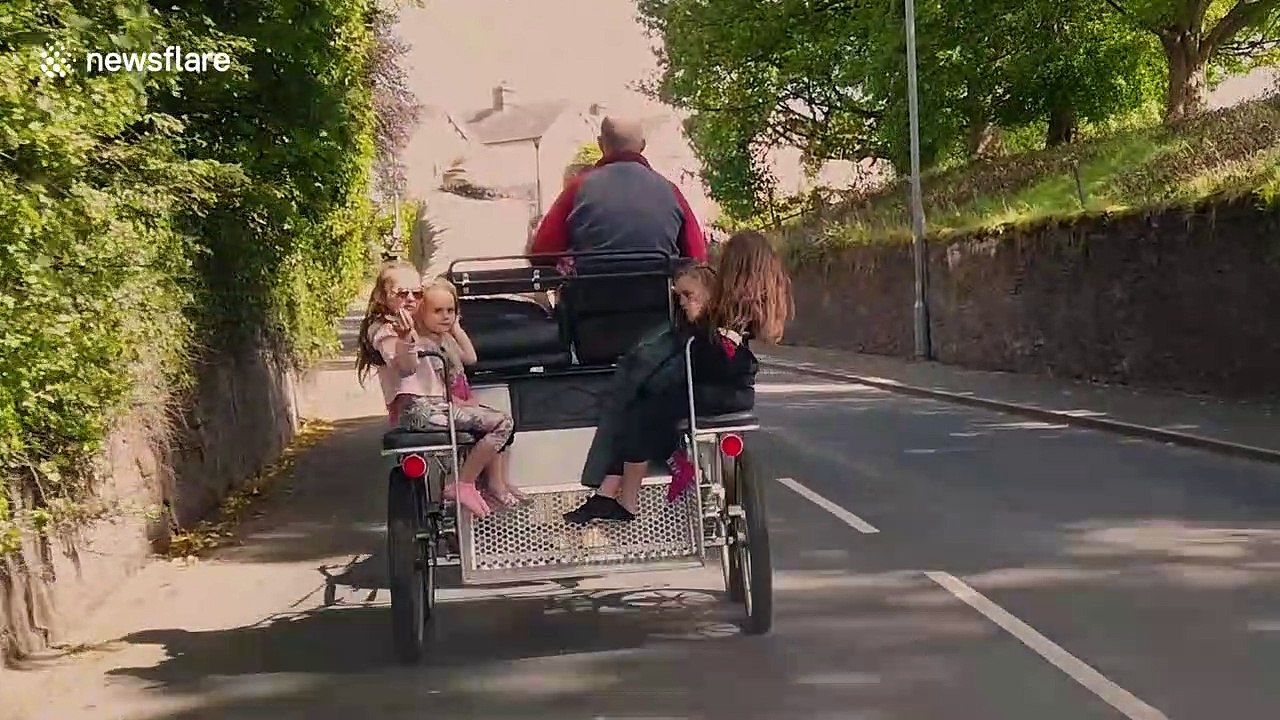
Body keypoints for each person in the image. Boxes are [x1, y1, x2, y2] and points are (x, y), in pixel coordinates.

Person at [565, 231, 793, 523]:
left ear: (735, 265)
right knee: (651, 405)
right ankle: (617, 495)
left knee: (642, 407)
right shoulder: (760, 303)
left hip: (713, 391)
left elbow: (710, 356)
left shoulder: (725, 305)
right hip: (735, 391)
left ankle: (622, 498)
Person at [354, 263, 518, 517]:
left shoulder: (417, 329)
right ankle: (464, 484)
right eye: (401, 293)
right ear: (382, 296)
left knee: (489, 421)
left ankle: (483, 486)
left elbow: (466, 358)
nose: (410, 299)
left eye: (416, 293)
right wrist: (407, 339)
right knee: (503, 423)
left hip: (434, 406)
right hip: (420, 410)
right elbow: (405, 368)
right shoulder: (386, 330)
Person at [525, 116, 707, 269]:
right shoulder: (671, 191)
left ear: (600, 144)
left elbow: (541, 252)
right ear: (642, 145)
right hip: (659, 305)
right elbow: (697, 256)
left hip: (589, 305)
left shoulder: (577, 188)